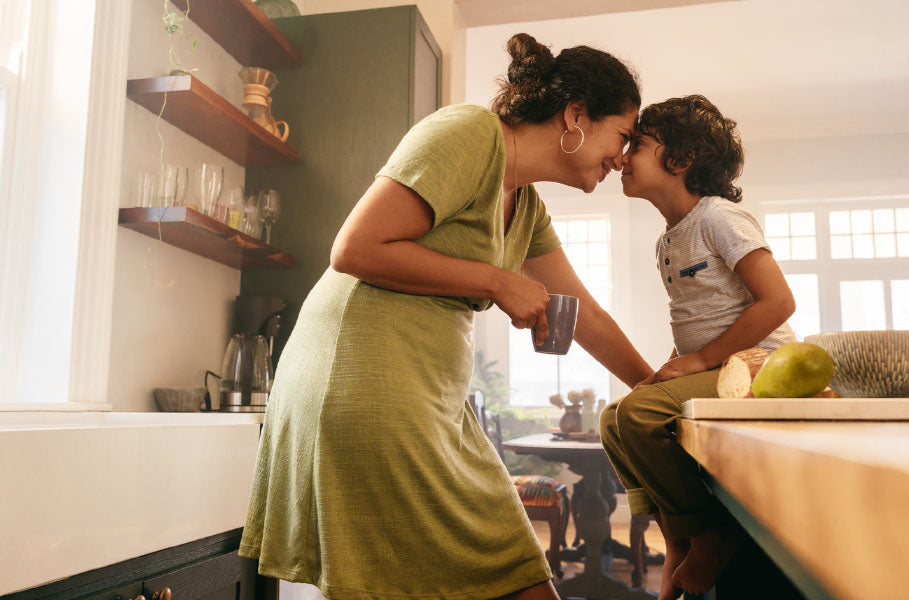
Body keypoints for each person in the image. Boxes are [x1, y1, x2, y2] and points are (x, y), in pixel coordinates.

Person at [239, 33, 655, 600]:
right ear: (576, 114)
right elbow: (355, 248)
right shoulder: (467, 134)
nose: (624, 156)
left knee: (516, 573)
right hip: (363, 380)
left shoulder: (526, 203)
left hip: (430, 399)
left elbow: (584, 313)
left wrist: (655, 388)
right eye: (623, 135)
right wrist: (496, 281)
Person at [600, 95, 797, 599]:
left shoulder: (720, 218)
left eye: (637, 145)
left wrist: (702, 360)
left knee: (640, 415)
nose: (622, 157)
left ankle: (712, 534)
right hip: (716, 365)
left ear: (682, 160)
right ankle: (676, 533)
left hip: (758, 367)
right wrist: (675, 364)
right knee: (613, 416)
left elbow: (778, 302)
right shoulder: (668, 240)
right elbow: (697, 320)